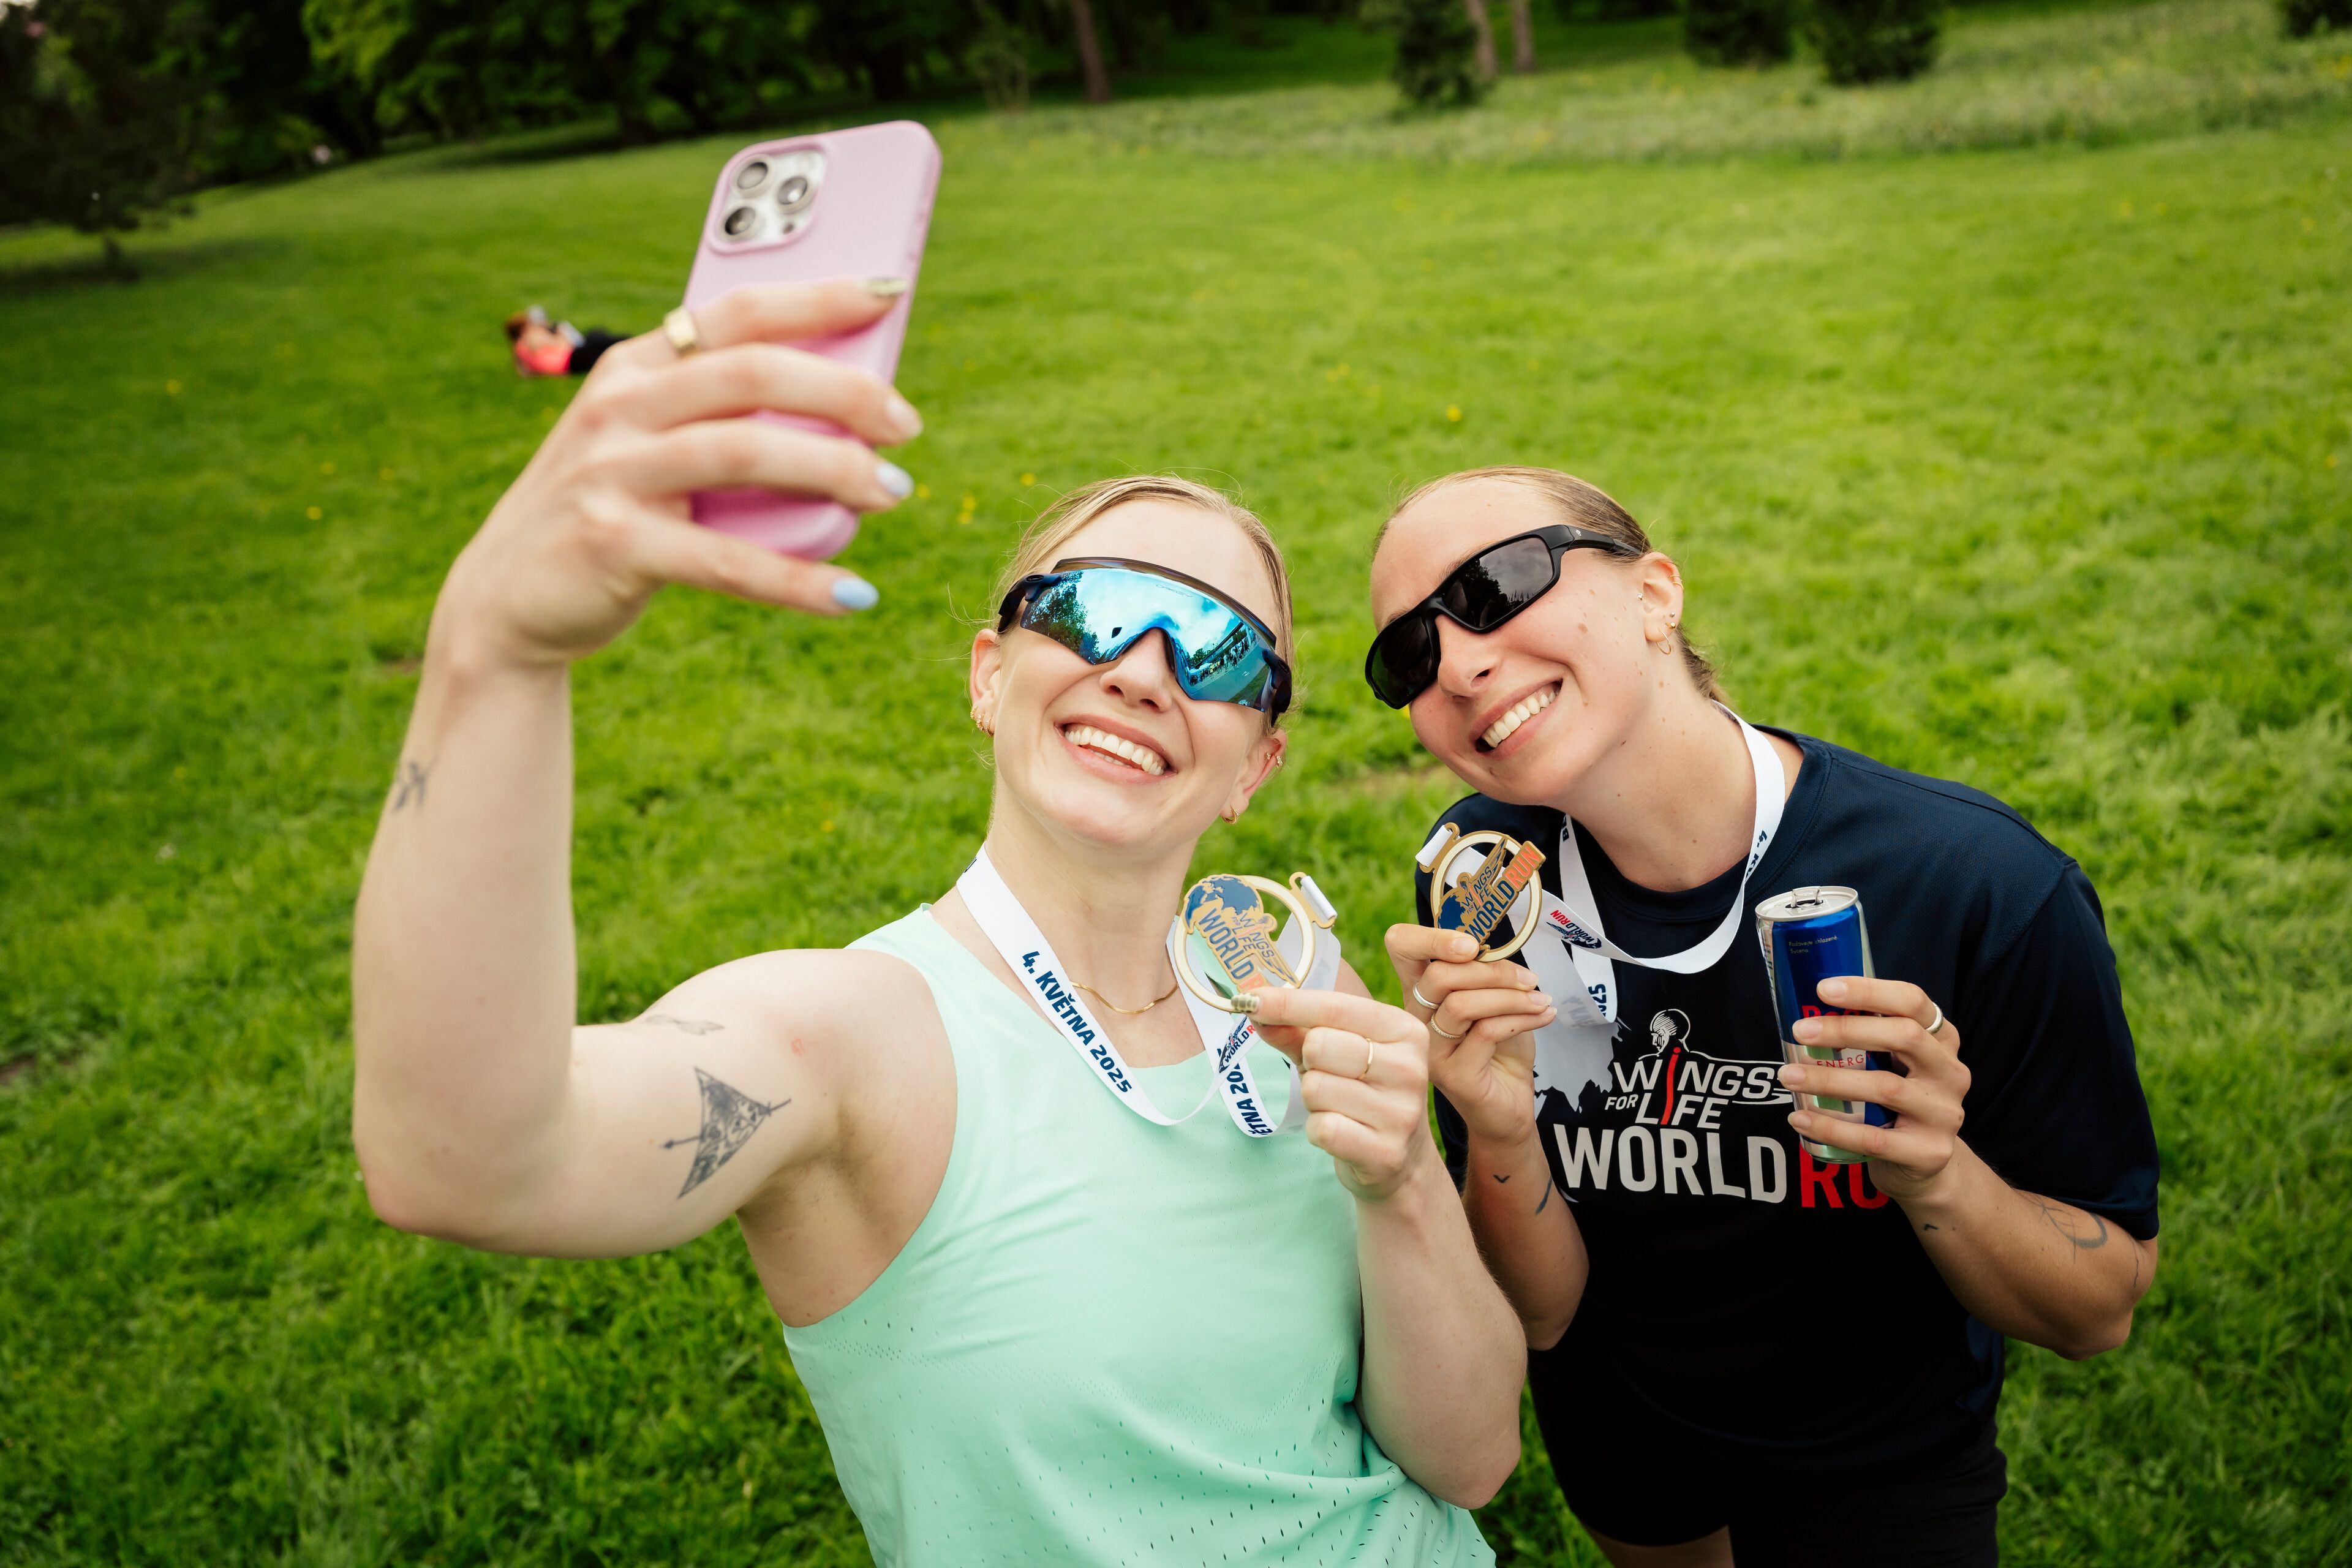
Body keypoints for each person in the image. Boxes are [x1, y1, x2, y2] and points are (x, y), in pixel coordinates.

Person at [352, 278, 1525, 1567]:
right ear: (987, 672)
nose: (1140, 667)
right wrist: (497, 652)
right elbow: (461, 1161)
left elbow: (1471, 1457)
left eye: (1219, 650)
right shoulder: (853, 1038)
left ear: (1256, 763)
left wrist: (1405, 1176)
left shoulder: (1289, 987)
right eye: (1086, 608)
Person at [1366, 466, 2162, 1568]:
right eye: (1408, 654)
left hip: (1878, 1467)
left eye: (1499, 587)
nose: (1455, 663)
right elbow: (1542, 1317)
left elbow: (2099, 1309)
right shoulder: (1482, 882)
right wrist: (1498, 1130)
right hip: (1626, 1446)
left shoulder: (1977, 887)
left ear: (1654, 595)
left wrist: (1937, 1172)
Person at [505, 304, 627, 377]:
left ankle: (627, 344)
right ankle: (628, 342)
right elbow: (562, 346)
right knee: (602, 344)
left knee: (597, 336)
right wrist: (558, 332)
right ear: (522, 329)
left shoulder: (519, 349)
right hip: (569, 360)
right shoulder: (530, 339)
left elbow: (525, 373)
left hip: (568, 361)